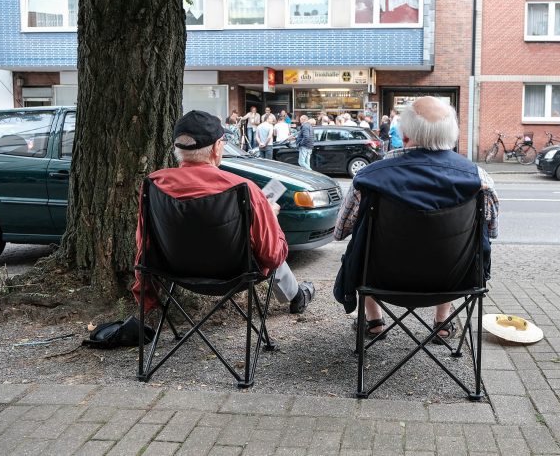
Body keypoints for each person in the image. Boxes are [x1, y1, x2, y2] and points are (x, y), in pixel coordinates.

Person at [333, 97, 499, 340]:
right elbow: (491, 231)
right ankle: (442, 323)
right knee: (459, 251)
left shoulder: (368, 178)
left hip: (380, 279)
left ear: (407, 136)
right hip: (455, 281)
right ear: (450, 136)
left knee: (362, 247)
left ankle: (374, 322)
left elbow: (341, 231)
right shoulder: (479, 179)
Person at [132, 110, 315, 315]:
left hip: (171, 271)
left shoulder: (154, 184)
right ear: (217, 148)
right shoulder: (243, 188)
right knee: (264, 240)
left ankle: (297, 294)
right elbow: (272, 257)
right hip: (236, 274)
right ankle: (297, 296)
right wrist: (270, 216)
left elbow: (145, 242)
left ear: (177, 148)